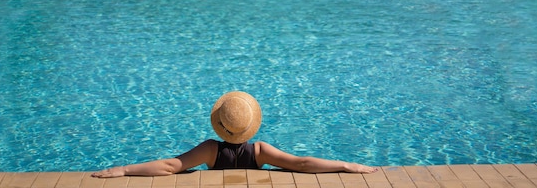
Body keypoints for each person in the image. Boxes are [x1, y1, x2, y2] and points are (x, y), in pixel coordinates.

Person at [92, 91, 378, 177]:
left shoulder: (209, 150)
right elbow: (301, 164)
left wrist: (125, 170)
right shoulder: (260, 151)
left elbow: (170, 166)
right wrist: (346, 165)